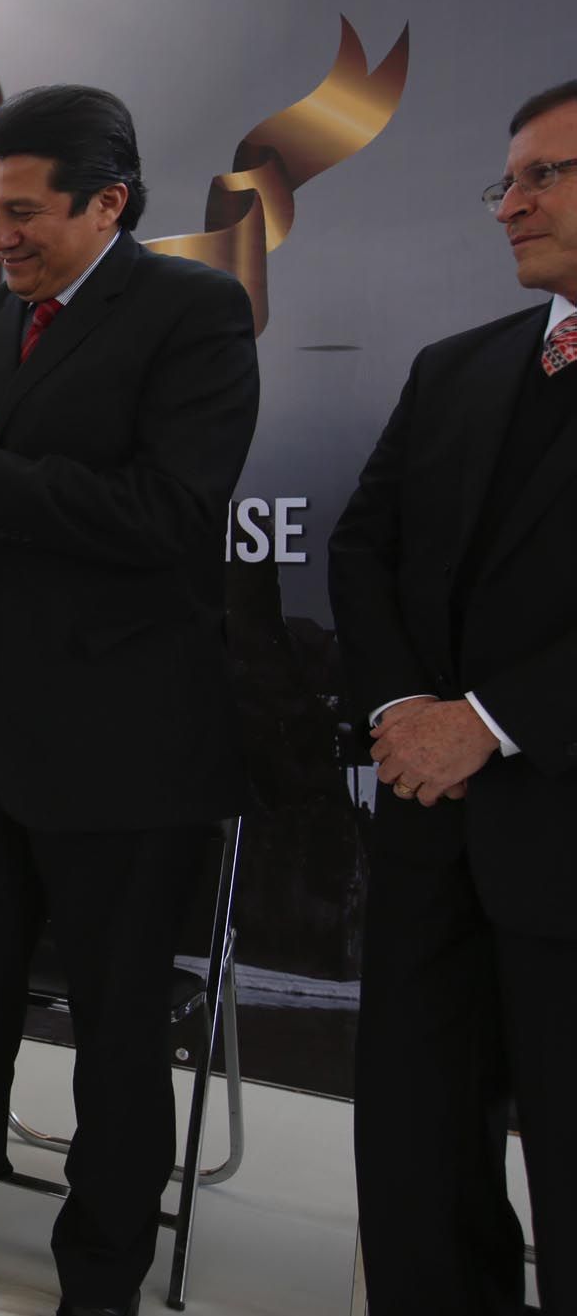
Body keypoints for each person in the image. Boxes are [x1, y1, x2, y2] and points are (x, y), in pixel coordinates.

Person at [0, 85, 258, 1316]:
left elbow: (172, 516)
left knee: (116, 1031)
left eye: (23, 212)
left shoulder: (194, 313)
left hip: (123, 747)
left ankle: (100, 1269)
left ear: (107, 203)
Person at [329, 78, 577, 1316]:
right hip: (428, 828)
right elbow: (359, 548)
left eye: (543, 176)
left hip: (558, 826)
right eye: (504, 180)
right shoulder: (455, 369)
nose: (509, 205)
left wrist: (486, 720)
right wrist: (399, 714)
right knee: (418, 1159)